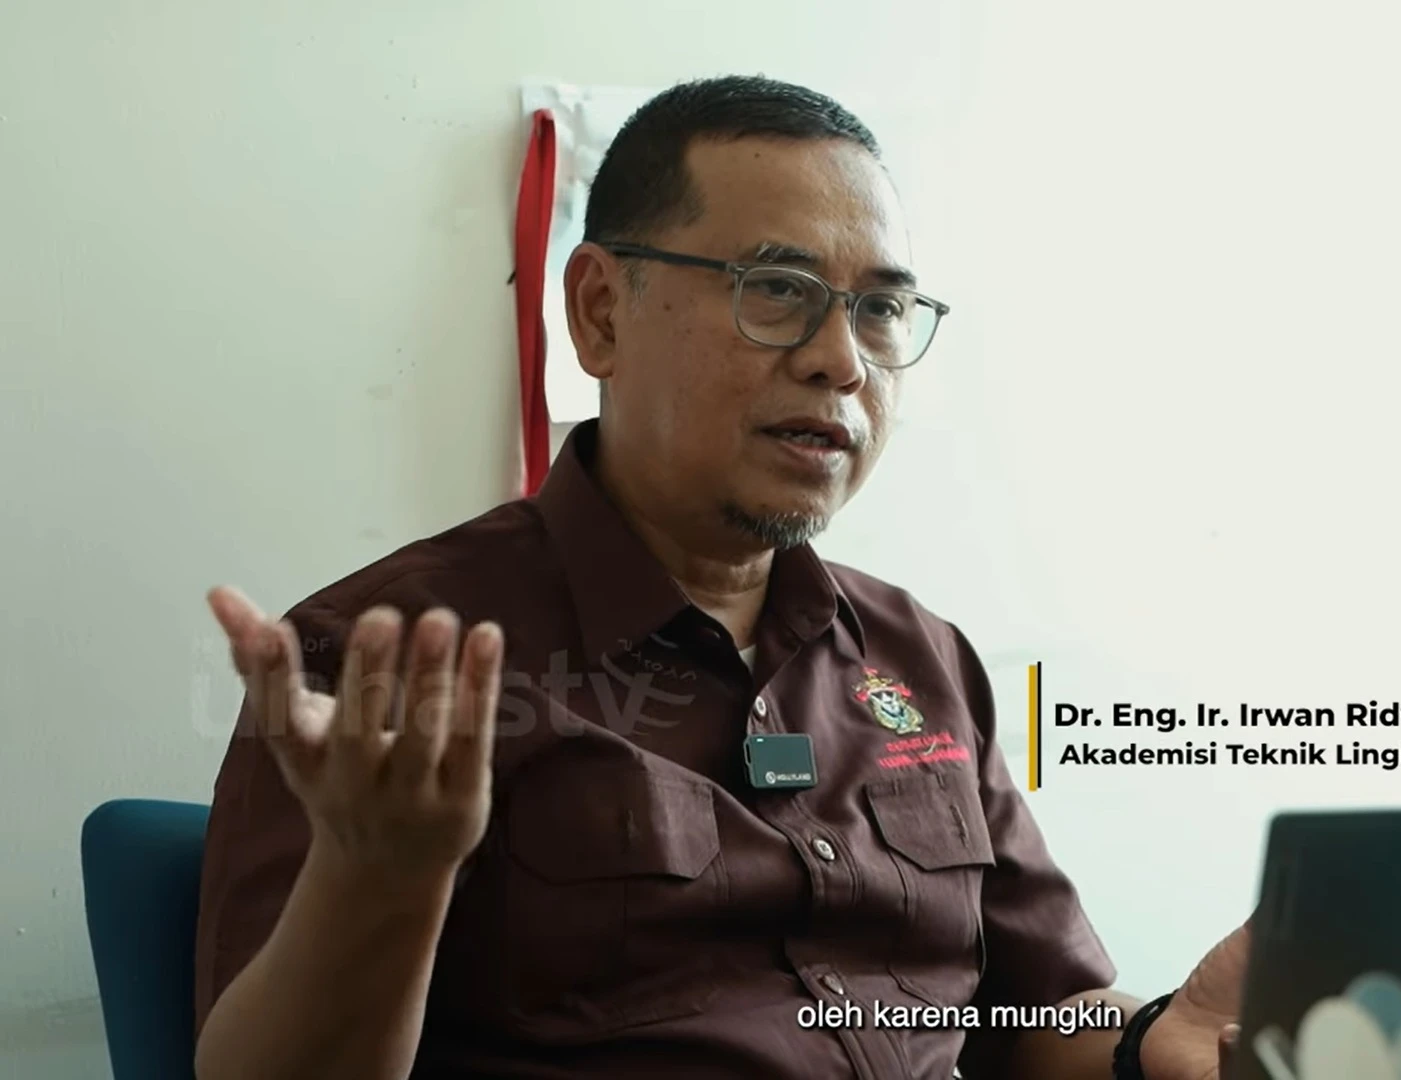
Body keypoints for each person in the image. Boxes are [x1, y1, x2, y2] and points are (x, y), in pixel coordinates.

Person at [192, 74, 1249, 1080]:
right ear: (601, 312)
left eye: (881, 310)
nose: (842, 360)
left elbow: (1037, 1018)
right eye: (778, 291)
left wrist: (1149, 1044)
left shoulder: (919, 655)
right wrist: (379, 878)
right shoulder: (384, 659)